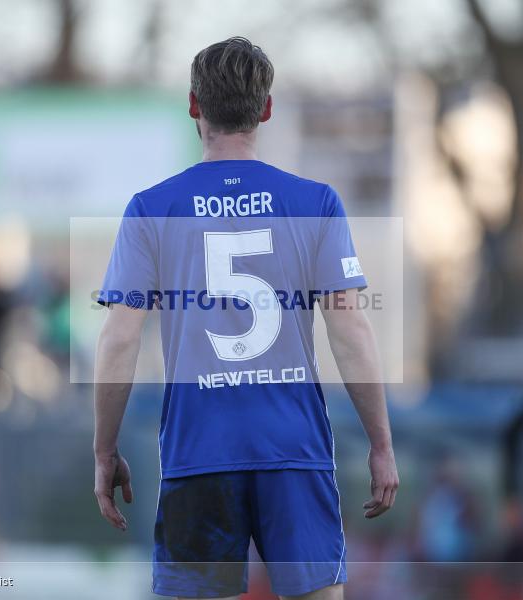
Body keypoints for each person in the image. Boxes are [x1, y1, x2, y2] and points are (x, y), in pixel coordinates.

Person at [92, 37, 399, 600]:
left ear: (193, 106)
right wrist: (381, 442)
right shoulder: (316, 202)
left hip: (198, 447)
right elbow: (350, 328)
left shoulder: (151, 207)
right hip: (294, 448)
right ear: (266, 109)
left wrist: (104, 450)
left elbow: (119, 338)